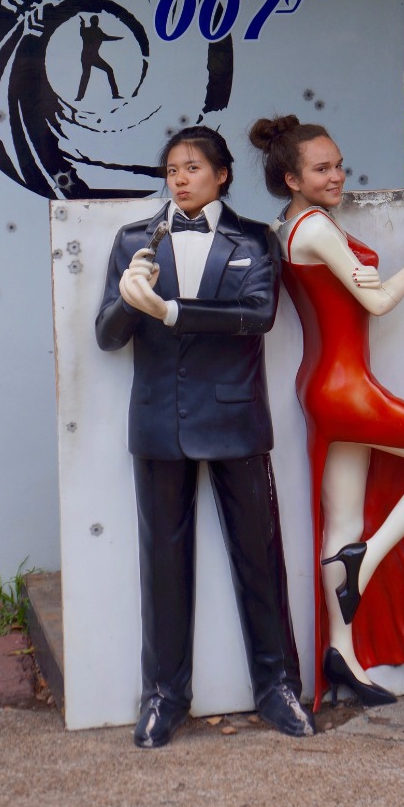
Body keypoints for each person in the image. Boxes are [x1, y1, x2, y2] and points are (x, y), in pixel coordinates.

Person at [96, 125, 315, 747]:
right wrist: (129, 300)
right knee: (162, 565)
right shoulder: (134, 240)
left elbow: (258, 315)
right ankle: (164, 696)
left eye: (192, 167)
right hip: (159, 421)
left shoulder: (256, 238)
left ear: (222, 174)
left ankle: (277, 689)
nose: (180, 178)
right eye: (172, 170)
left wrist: (170, 311)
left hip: (235, 418)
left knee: (261, 559)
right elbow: (107, 336)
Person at [249, 115, 404, 712]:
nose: (337, 176)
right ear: (292, 178)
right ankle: (367, 558)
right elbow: (375, 302)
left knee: (343, 520)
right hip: (346, 388)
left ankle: (341, 653)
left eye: (339, 165)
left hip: (322, 384)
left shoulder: (290, 225)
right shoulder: (317, 228)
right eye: (322, 169)